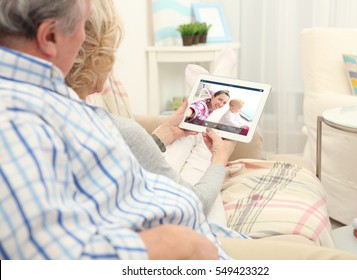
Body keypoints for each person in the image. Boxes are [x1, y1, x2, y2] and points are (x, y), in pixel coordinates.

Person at [0, 0, 236, 260]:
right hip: (191, 246)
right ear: (50, 36)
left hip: (193, 234)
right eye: (81, 28)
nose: (82, 39)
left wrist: (164, 134)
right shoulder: (16, 119)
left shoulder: (47, 103)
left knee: (188, 145)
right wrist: (174, 244)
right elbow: (50, 255)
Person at [65, 0, 234, 217]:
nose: (114, 59)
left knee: (187, 136)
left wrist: (164, 133)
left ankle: (214, 84)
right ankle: (220, 81)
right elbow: (194, 205)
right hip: (174, 217)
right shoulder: (113, 129)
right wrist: (221, 159)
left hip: (143, 180)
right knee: (201, 151)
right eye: (111, 50)